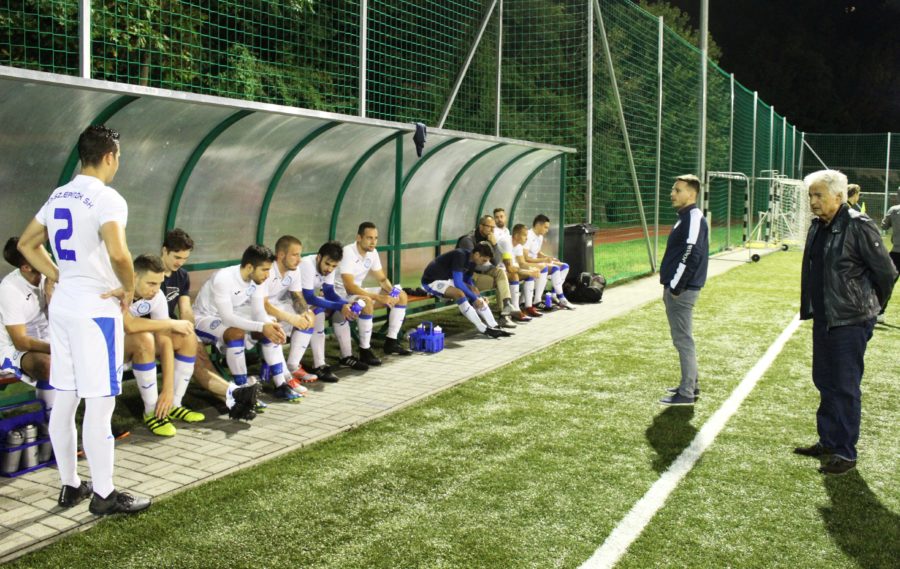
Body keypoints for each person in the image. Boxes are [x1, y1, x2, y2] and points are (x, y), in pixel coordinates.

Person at [17, 125, 151, 515]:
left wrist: (60, 275)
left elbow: (26, 243)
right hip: (95, 311)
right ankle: (104, 495)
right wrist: (128, 288)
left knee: (66, 397)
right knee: (100, 402)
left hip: (64, 308)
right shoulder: (107, 198)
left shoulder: (59, 194)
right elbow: (120, 254)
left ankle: (71, 485)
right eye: (119, 157)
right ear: (110, 156)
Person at [795, 170, 896, 475]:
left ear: (838, 196)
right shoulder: (818, 226)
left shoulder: (858, 225)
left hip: (850, 321)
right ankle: (828, 441)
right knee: (824, 380)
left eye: (819, 195)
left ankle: (845, 452)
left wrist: (871, 309)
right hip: (825, 318)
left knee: (845, 386)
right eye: (811, 195)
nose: (813, 201)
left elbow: (887, 273)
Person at [159, 229, 259, 420]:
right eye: (177, 257)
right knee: (197, 358)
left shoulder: (181, 275)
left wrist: (189, 330)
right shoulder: (151, 272)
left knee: (200, 356)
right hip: (154, 330)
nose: (180, 262)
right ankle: (235, 394)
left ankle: (233, 401)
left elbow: (185, 309)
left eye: (185, 258)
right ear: (164, 250)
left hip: (174, 327)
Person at [193, 245, 298, 402]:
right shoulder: (223, 278)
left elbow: (258, 312)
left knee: (271, 327)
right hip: (204, 318)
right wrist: (262, 326)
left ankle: (281, 384)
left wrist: (269, 325)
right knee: (237, 333)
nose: (268, 275)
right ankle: (243, 391)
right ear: (249, 267)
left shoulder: (257, 279)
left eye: (269, 270)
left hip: (230, 314)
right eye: (264, 270)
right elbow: (228, 318)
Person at [123, 254, 201, 437]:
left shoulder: (157, 296)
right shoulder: (118, 290)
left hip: (131, 346)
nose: (156, 290)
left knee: (187, 337)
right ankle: (152, 412)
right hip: (105, 351)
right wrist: (171, 323)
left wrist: (168, 389)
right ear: (134, 276)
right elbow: (129, 325)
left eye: (159, 283)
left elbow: (164, 339)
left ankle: (173, 404)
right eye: (151, 283)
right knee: (144, 338)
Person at [658, 174, 709, 407]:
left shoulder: (694, 217)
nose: (672, 194)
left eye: (677, 190)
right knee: (683, 339)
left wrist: (676, 286)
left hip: (682, 290)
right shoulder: (685, 217)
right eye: (673, 189)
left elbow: (692, 253)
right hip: (679, 288)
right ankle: (691, 385)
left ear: (691, 193)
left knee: (683, 341)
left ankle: (687, 393)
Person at [334, 222, 412, 360]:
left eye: (375, 238)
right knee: (367, 302)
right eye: (369, 238)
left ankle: (391, 342)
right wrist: (379, 297)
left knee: (401, 296)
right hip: (341, 295)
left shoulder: (373, 253)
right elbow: (350, 287)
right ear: (359, 238)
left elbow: (382, 279)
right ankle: (365, 350)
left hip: (357, 292)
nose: (373, 242)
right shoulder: (348, 252)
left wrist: (392, 293)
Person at [0, 237, 55, 414]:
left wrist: (50, 296)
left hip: (47, 337)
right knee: (48, 365)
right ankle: (50, 415)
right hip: (14, 347)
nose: (47, 255)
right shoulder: (10, 290)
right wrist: (56, 348)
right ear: (26, 267)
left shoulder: (49, 274)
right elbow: (21, 342)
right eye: (37, 253)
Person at [421, 242, 511, 338]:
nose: (485, 263)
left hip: (447, 280)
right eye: (484, 260)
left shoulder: (472, 261)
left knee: (474, 289)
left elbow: (467, 280)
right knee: (459, 294)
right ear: (477, 254)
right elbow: (458, 283)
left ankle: (494, 325)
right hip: (431, 281)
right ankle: (483, 329)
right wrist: (475, 299)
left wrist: (478, 297)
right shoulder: (460, 255)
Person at [263, 235, 317, 390]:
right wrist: (291, 318)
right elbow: (263, 304)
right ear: (281, 255)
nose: (299, 260)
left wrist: (305, 312)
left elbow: (297, 296)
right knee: (274, 325)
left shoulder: (294, 270)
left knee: (309, 318)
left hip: (276, 306)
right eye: (295, 255)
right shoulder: (267, 270)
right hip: (255, 309)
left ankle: (293, 366)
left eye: (300, 255)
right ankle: (284, 377)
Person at [298, 241, 356, 382]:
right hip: (288, 303)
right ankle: (318, 365)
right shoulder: (307, 264)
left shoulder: (329, 268)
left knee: (329, 310)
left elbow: (329, 292)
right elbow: (309, 297)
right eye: (327, 264)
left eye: (334, 266)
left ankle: (344, 357)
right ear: (319, 257)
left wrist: (346, 304)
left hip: (300, 303)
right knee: (318, 311)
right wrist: (340, 306)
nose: (330, 269)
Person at [456, 215, 516, 328]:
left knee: (500, 272)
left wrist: (494, 245)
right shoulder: (468, 240)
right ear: (481, 226)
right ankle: (503, 316)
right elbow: (474, 264)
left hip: (481, 272)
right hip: (468, 277)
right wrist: (489, 266)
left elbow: (496, 261)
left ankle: (506, 305)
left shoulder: (489, 240)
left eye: (493, 227)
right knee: (499, 281)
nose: (492, 230)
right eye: (489, 227)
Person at [522, 214, 575, 311]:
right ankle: (542, 300)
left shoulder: (540, 237)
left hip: (537, 262)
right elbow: (526, 258)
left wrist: (548, 258)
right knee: (554, 268)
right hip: (529, 264)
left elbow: (537, 252)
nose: (547, 230)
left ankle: (554, 295)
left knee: (564, 266)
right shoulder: (528, 235)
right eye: (545, 227)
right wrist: (544, 260)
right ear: (538, 225)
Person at [497, 224, 535, 323]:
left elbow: (522, 263)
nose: (526, 238)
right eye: (524, 235)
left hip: (506, 270)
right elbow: (509, 268)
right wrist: (526, 270)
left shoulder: (518, 245)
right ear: (517, 236)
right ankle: (516, 310)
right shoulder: (506, 242)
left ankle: (528, 306)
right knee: (514, 275)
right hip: (497, 270)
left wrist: (533, 269)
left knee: (529, 275)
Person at [878, 188, 900, 324]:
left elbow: (884, 226)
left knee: (888, 283)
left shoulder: (893, 210)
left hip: (897, 252)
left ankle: (880, 313)